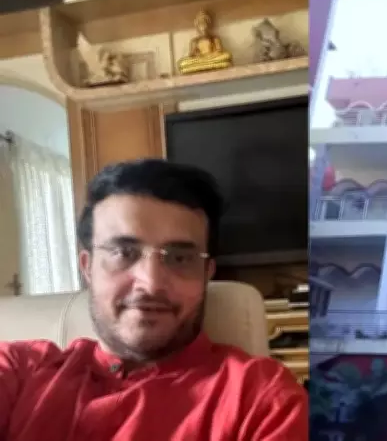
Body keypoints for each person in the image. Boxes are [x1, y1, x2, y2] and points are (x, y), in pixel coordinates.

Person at [0, 159, 308, 440]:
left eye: (180, 258)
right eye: (124, 252)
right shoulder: (19, 370)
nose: (151, 283)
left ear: (207, 272)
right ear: (87, 267)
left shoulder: (262, 402)